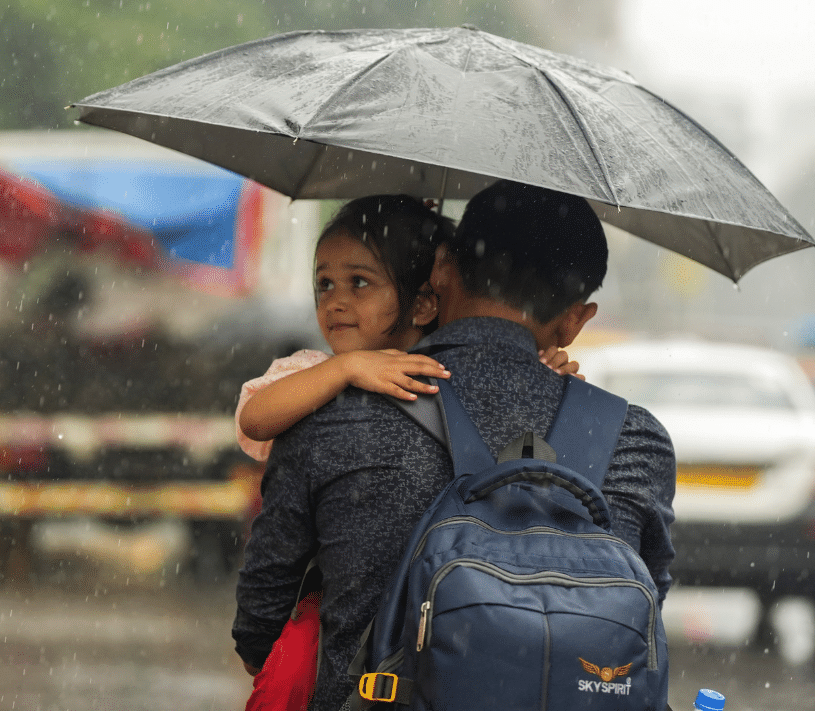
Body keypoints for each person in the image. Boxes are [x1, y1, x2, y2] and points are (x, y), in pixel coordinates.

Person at [233, 180, 676, 711]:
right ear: (576, 320)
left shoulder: (329, 410)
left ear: (441, 271)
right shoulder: (634, 440)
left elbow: (260, 623)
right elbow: (641, 615)